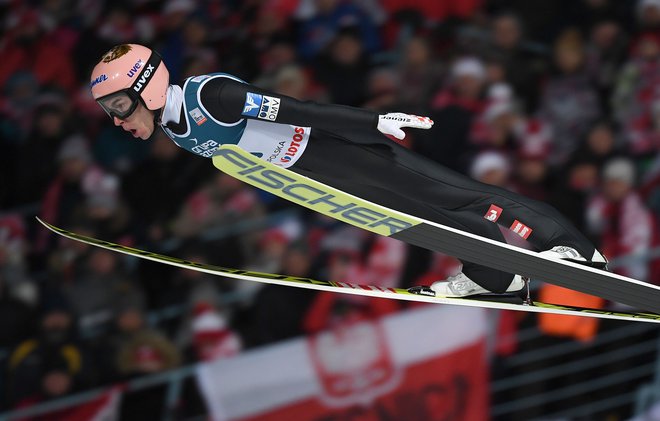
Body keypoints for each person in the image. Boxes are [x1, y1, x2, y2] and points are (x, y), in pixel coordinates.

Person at [89, 43, 608, 298]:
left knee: (461, 196)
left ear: (146, 88)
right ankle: (495, 275)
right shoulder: (177, 128)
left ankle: (575, 251)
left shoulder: (212, 97)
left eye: (118, 106)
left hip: (336, 148)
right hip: (315, 173)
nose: (117, 121)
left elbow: (297, 110)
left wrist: (373, 121)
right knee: (418, 220)